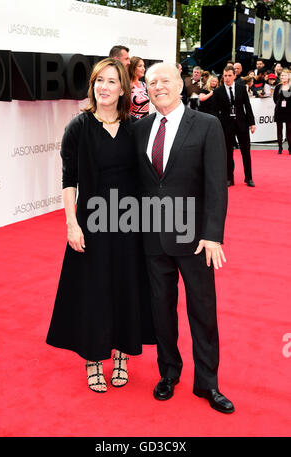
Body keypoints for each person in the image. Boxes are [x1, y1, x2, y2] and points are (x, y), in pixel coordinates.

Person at [46, 58, 155, 393]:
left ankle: (121, 354)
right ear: (93, 86)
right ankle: (94, 359)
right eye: (99, 81)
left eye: (111, 81)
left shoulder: (136, 129)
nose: (104, 87)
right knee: (93, 292)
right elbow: (69, 181)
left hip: (129, 225)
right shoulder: (78, 127)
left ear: (123, 88)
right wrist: (71, 224)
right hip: (91, 224)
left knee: (127, 287)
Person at [133, 62, 234, 414]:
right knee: (161, 311)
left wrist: (212, 235)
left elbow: (215, 185)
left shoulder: (206, 125)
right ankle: (168, 373)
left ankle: (208, 383)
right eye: (151, 81)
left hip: (195, 241)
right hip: (152, 239)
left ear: (181, 84)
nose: (158, 85)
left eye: (165, 80)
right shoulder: (140, 128)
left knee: (202, 312)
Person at [212, 65, 256, 187]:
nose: (227, 78)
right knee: (228, 153)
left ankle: (249, 178)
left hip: (242, 124)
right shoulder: (218, 91)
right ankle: (229, 178)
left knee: (246, 152)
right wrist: (219, 125)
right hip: (226, 126)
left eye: (229, 75)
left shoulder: (242, 88)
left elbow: (247, 106)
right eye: (225, 76)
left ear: (234, 76)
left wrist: (252, 123)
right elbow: (214, 111)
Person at [273, 68, 291, 154]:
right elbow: (274, 99)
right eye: (282, 75)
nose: (283, 77)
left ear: (289, 76)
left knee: (289, 130)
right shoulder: (278, 87)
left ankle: (290, 148)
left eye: (285, 75)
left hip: (289, 111)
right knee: (279, 130)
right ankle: (280, 148)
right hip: (279, 111)